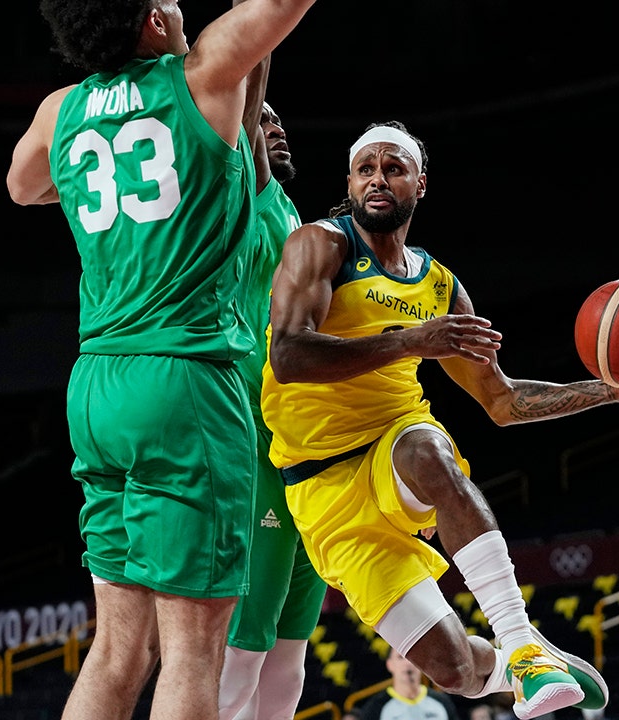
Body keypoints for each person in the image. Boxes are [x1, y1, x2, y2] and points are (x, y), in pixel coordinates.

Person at [260, 120, 619, 719]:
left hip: (393, 440)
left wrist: (608, 392)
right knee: (455, 670)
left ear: (420, 184)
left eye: (393, 168)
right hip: (320, 485)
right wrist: (412, 341)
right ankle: (517, 663)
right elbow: (288, 356)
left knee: (426, 451)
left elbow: (502, 401)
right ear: (350, 182)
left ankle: (522, 643)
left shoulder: (440, 286)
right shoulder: (321, 245)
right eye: (365, 169)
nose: (377, 178)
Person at [4, 0, 319, 718]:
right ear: (152, 21)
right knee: (192, 652)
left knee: (118, 650)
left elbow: (23, 187)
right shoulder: (203, 76)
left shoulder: (61, 109)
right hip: (184, 382)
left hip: (96, 386)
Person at [217, 95, 329, 720]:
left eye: (281, 118)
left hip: (304, 442)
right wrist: (249, 59)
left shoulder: (288, 212)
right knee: (248, 644)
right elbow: (240, 100)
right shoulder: (244, 189)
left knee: (290, 654)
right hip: (256, 435)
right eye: (265, 118)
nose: (277, 126)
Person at [357, 644, 464, 720]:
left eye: (413, 658)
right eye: (400, 657)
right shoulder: (376, 707)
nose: (407, 663)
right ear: (389, 664)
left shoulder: (441, 702)